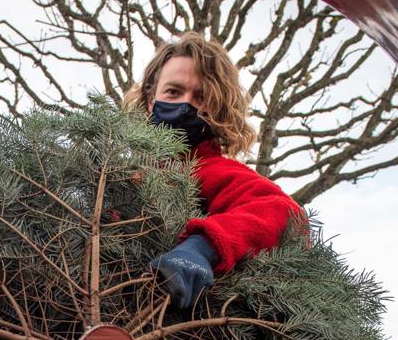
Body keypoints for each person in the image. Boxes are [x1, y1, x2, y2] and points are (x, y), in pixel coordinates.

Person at [123, 32, 307, 310]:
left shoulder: (215, 171)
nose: (186, 105)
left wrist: (202, 248)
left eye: (201, 97)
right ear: (151, 100)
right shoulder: (121, 181)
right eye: (173, 92)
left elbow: (285, 214)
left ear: (216, 108)